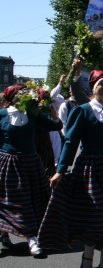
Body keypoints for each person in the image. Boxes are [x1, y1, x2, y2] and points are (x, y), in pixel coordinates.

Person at [39, 70, 103, 268]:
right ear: (92, 87)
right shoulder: (82, 111)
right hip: (90, 168)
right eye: (101, 84)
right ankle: (87, 256)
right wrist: (60, 170)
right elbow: (71, 141)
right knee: (96, 216)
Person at [0, 85, 62, 258]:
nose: (23, 96)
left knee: (31, 200)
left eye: (25, 94)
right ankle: (4, 237)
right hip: (7, 163)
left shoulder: (33, 114)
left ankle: (32, 239)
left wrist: (52, 112)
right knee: (6, 200)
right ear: (11, 97)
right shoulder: (2, 115)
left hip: (30, 162)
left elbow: (56, 125)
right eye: (19, 94)